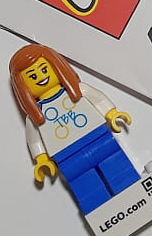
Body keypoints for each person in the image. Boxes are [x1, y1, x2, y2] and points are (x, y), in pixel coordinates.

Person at [9, 44, 140, 215]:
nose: (41, 77)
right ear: (23, 86)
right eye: (32, 76)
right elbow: (34, 140)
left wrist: (112, 113)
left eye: (44, 69)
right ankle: (102, 215)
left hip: (99, 139)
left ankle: (137, 198)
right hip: (67, 156)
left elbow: (99, 100)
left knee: (118, 168)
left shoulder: (79, 90)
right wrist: (41, 159)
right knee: (86, 186)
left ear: (56, 66)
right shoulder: (36, 115)